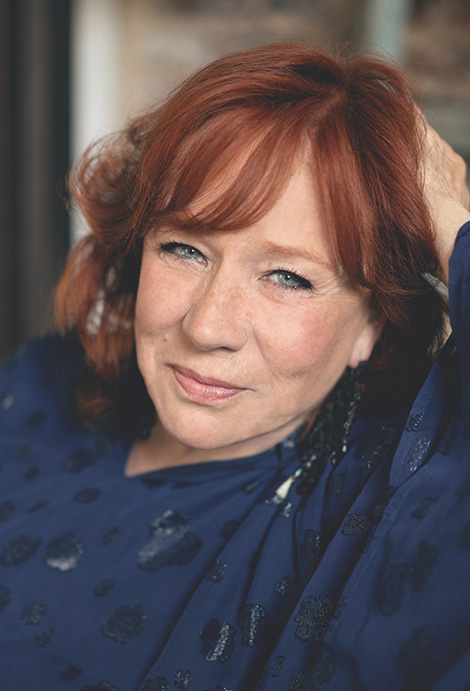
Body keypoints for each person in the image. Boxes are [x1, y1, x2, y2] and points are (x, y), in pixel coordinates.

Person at [0, 42, 469, 691]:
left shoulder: (375, 515)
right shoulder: (39, 386)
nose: (206, 327)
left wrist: (452, 216)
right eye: (184, 249)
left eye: (288, 277)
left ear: (373, 323)